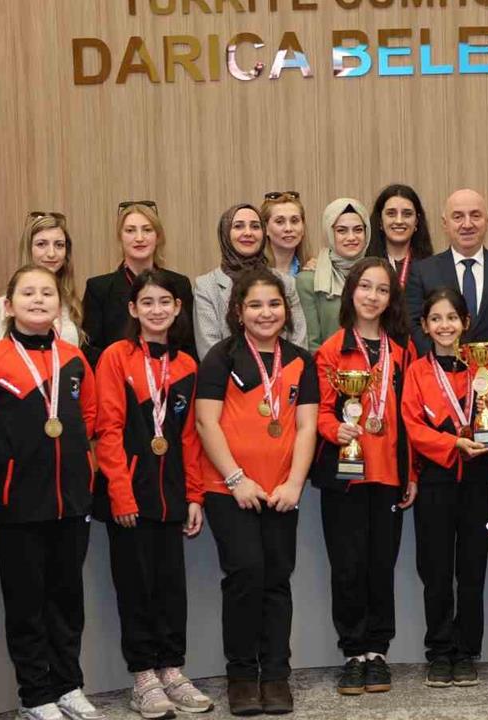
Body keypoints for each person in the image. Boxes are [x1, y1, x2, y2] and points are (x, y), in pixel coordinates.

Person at [0, 265, 101, 720]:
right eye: (28, 293)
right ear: (8, 305)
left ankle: (68, 685)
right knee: (26, 604)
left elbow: (90, 419)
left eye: (47, 293)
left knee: (67, 602)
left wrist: (85, 473)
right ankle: (35, 695)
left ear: (60, 305)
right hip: (18, 502)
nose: (39, 299)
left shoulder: (75, 358)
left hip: (72, 501)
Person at [194, 266, 318, 716]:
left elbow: (307, 427)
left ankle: (277, 676)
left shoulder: (301, 360)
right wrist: (235, 479)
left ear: (286, 309)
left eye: (274, 304)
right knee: (246, 576)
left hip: (281, 491)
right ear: (238, 311)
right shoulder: (220, 357)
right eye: (255, 305)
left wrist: (294, 483)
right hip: (230, 490)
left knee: (277, 580)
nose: (265, 313)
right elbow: (206, 422)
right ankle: (243, 677)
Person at [94, 270, 212, 717]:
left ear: (178, 308)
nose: (157, 310)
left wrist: (195, 495)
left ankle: (172, 670)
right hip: (130, 495)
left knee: (170, 587)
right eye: (147, 302)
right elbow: (107, 430)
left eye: (165, 302)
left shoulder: (187, 366)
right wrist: (121, 494)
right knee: (136, 586)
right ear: (133, 309)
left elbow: (190, 438)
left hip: (172, 494)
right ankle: (143, 676)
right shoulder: (116, 357)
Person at [312, 258, 413, 696]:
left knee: (381, 565)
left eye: (382, 290)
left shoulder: (403, 352)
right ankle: (353, 653)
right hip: (346, 476)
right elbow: (319, 412)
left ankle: (378, 652)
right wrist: (335, 429)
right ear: (351, 291)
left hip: (389, 474)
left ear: (392, 299)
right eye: (366, 287)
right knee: (348, 566)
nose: (373, 296)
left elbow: (410, 417)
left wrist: (412, 473)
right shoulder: (331, 350)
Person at [400, 287, 488, 689]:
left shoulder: (482, 368)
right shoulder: (416, 373)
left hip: (477, 478)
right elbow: (412, 425)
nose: (445, 325)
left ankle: (466, 651)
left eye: (452, 318)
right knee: (436, 570)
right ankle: (440, 650)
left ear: (465, 323)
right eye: (436, 319)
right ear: (424, 326)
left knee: (472, 570)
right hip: (437, 479)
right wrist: (452, 443)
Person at [403, 188, 488, 355]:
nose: (467, 224)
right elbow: (414, 326)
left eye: (475, 215)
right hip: (441, 368)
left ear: (487, 220)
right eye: (458, 217)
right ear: (445, 223)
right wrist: (442, 362)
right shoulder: (423, 271)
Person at [82, 202, 195, 365]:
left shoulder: (179, 284)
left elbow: (188, 345)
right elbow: (91, 350)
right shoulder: (99, 288)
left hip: (170, 374)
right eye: (130, 230)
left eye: (147, 230)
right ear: (120, 237)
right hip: (117, 376)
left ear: (158, 236)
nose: (139, 238)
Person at [192, 204, 308, 359]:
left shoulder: (285, 282)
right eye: (238, 226)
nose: (248, 233)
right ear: (225, 233)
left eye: (255, 226)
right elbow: (210, 352)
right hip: (229, 372)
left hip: (284, 370)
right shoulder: (206, 286)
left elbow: (299, 342)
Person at [0, 212, 83, 346]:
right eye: (41, 244)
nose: (51, 253)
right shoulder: (3, 306)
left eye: (59, 245)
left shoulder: (72, 303)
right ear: (28, 249)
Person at [296, 198, 369, 353]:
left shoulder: (378, 276)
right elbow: (311, 343)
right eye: (342, 230)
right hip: (328, 365)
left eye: (358, 230)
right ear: (330, 233)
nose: (351, 237)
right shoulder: (309, 280)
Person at [367, 184, 434, 289]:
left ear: (416, 221)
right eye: (391, 214)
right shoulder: (365, 267)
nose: (399, 221)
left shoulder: (432, 268)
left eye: (407, 214)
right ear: (380, 221)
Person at [261, 191, 312, 277]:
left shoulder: (312, 270)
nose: (288, 228)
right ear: (265, 228)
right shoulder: (253, 272)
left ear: (303, 226)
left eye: (294, 221)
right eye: (279, 222)